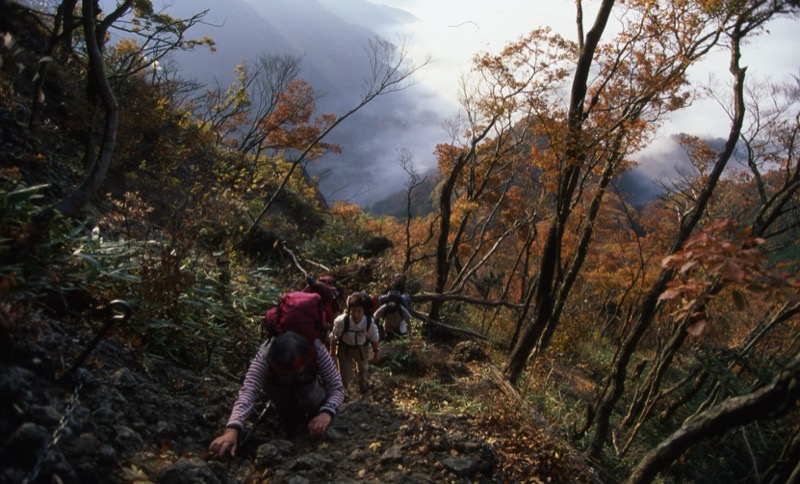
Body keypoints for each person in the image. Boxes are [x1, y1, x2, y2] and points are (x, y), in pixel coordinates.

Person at [208, 331, 345, 458]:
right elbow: (249, 391)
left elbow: (336, 387)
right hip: (283, 405)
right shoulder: (264, 357)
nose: (289, 377)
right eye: (282, 374)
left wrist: (326, 413)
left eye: (294, 374)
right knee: (292, 431)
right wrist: (232, 429)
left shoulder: (317, 351)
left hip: (316, 402)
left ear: (307, 361)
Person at [330, 292, 380, 394]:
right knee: (345, 375)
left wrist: (376, 352)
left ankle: (362, 385)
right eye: (353, 311)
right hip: (345, 348)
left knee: (363, 369)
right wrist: (332, 353)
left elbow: (374, 338)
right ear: (349, 311)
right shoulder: (341, 321)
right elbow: (334, 337)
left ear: (364, 312)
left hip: (361, 348)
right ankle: (345, 391)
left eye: (359, 311)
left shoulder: (369, 322)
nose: (356, 314)